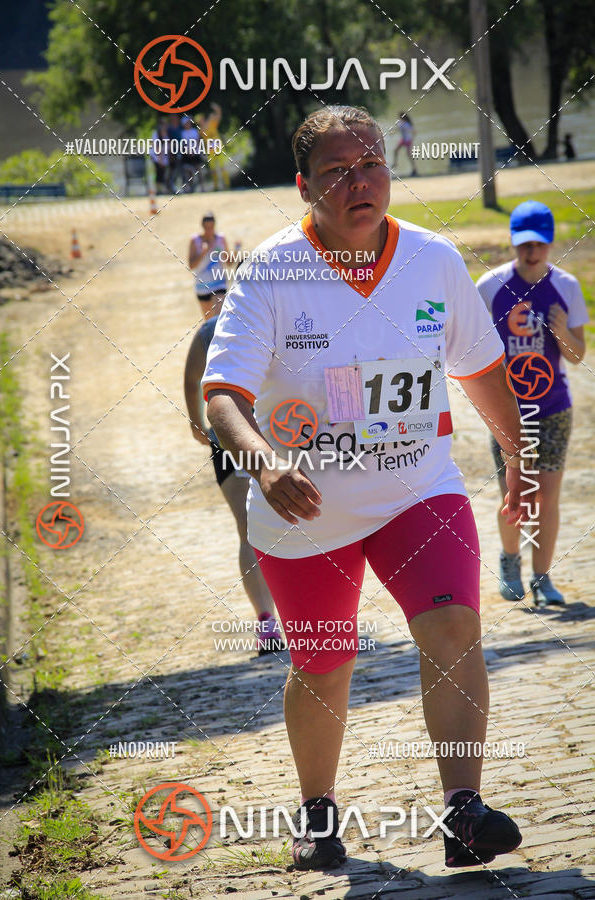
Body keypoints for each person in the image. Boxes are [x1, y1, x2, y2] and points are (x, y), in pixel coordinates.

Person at [202, 105, 525, 870]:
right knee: (323, 662)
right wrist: (262, 462)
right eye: (337, 172)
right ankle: (317, 816)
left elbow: (481, 371)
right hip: (307, 506)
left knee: (453, 629)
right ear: (304, 187)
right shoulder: (273, 272)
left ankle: (464, 811)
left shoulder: (434, 260)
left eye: (372, 163)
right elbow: (222, 398)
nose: (360, 182)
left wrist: (519, 461)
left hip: (419, 489)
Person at [477, 201, 587, 607]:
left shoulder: (568, 287)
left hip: (554, 408)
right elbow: (474, 351)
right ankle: (510, 563)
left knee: (547, 496)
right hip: (507, 409)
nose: (531, 252)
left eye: (539, 243)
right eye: (523, 244)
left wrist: (561, 332)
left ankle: (543, 577)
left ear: (550, 242)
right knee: (516, 495)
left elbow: (577, 355)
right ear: (512, 242)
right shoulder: (489, 286)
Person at [184, 316, 283, 654]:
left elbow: (191, 377)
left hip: (232, 435)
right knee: (276, 524)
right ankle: (273, 618)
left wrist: (197, 423)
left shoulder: (213, 328)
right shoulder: (281, 316)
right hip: (267, 433)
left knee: (248, 528)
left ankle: (270, 619)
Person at [188, 213, 229, 321]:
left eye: (211, 227)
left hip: (219, 284)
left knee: (218, 320)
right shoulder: (195, 240)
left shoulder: (220, 239)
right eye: (206, 228)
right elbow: (191, 265)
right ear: (202, 226)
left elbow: (228, 262)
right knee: (210, 322)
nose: (209, 230)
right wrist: (204, 251)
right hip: (202, 286)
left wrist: (237, 250)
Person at [200, 102, 231, 190]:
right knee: (213, 170)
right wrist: (209, 119)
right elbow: (204, 128)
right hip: (210, 150)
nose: (202, 120)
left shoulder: (211, 123)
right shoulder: (201, 129)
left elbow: (219, 116)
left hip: (218, 147)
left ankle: (227, 185)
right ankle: (216, 187)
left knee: (222, 167)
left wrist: (217, 109)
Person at [181, 116, 206, 193]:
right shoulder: (183, 133)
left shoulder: (194, 131)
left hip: (196, 153)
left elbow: (198, 141)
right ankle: (191, 189)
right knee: (189, 173)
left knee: (199, 170)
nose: (188, 124)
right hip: (188, 154)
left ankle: (202, 188)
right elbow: (185, 144)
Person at [393, 111, 418, 177]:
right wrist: (391, 133)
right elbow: (397, 129)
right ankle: (395, 164)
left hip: (408, 140)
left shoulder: (407, 124)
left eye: (400, 117)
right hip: (403, 140)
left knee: (409, 155)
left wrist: (412, 139)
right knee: (395, 150)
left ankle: (415, 169)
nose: (399, 118)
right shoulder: (401, 124)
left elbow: (414, 132)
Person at [150, 119, 171, 193]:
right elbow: (157, 148)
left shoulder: (166, 134)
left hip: (163, 158)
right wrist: (160, 160)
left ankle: (161, 189)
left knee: (162, 174)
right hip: (156, 157)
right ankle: (157, 190)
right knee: (158, 174)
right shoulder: (156, 134)